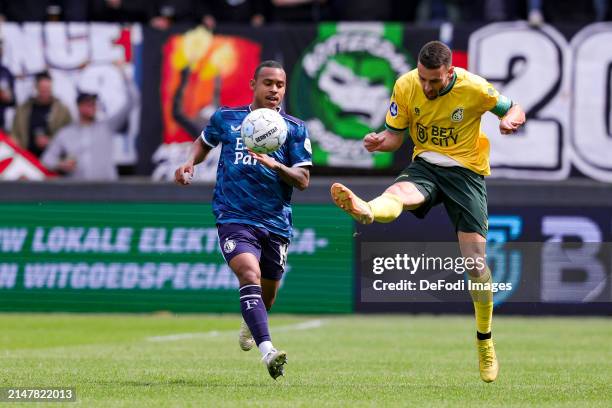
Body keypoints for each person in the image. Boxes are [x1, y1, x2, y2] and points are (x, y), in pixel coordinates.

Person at [330, 41, 525, 383]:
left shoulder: (474, 88)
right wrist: (379, 141)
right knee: (398, 193)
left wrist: (509, 121)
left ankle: (485, 340)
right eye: (423, 78)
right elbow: (394, 137)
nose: (427, 86)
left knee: (475, 263)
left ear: (450, 72)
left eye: (434, 81)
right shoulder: (406, 85)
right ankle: (367, 209)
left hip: (466, 172)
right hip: (426, 165)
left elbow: (514, 108)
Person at [174, 60, 312, 379]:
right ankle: (268, 352)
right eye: (268, 83)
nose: (274, 89)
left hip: (276, 222)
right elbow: (203, 143)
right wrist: (188, 164)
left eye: (280, 84)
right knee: (248, 273)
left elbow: (303, 180)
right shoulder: (227, 118)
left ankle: (251, 320)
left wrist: (275, 166)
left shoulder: (294, 128)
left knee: (268, 293)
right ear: (253, 84)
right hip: (233, 214)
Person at [41, 64, 138, 180]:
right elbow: (46, 159)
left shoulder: (107, 126)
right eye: (88, 104)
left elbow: (133, 101)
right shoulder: (66, 133)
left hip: (107, 190)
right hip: (79, 192)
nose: (92, 106)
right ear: (79, 106)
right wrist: (61, 164)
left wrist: (125, 75)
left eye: (93, 103)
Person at [12, 72, 72, 158]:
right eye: (42, 89)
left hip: (53, 161)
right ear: (36, 88)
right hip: (26, 160)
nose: (45, 92)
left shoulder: (62, 110)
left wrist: (50, 142)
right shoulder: (23, 110)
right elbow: (14, 135)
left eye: (48, 89)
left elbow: (70, 137)